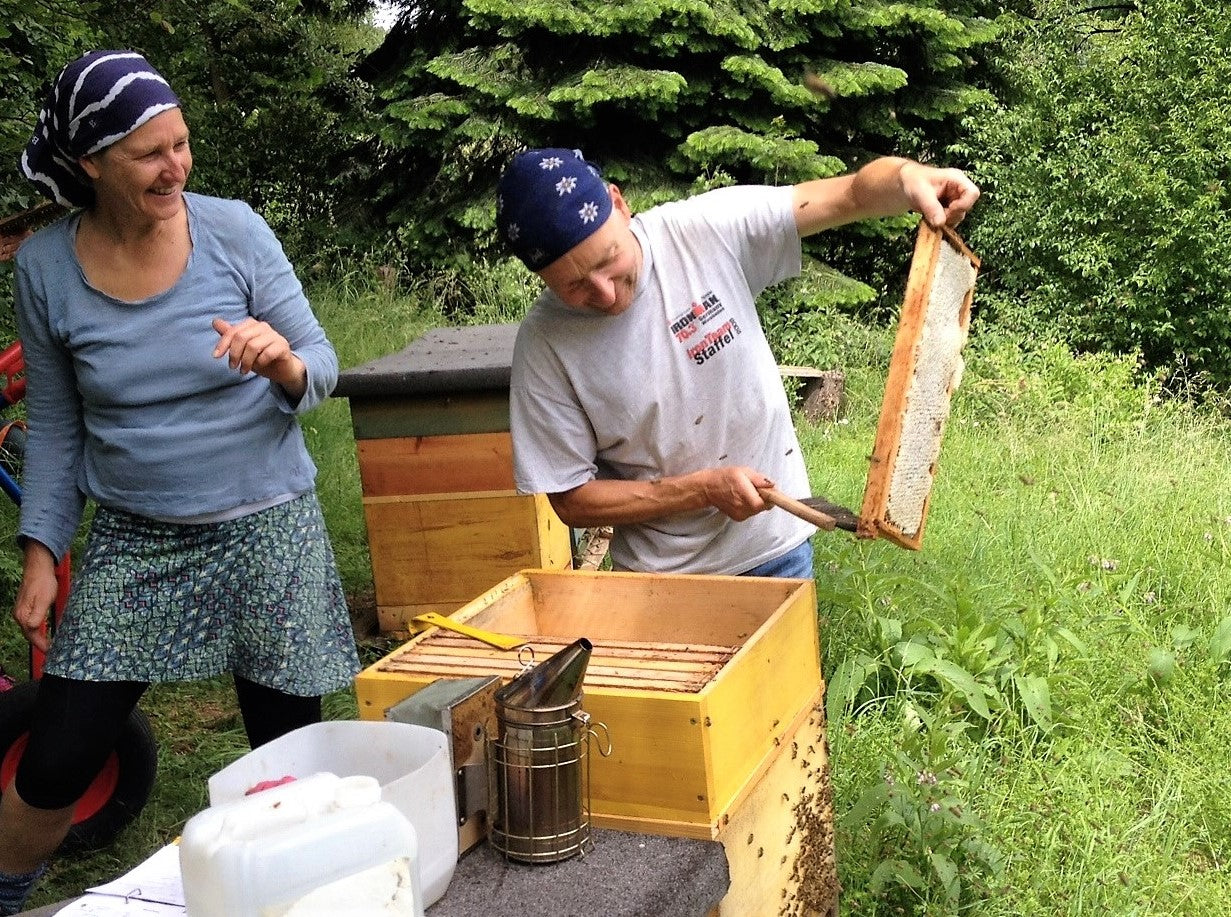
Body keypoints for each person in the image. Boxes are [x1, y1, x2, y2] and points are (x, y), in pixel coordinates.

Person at [0, 50, 359, 914]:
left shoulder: (233, 230)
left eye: (182, 144)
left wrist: (279, 361)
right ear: (91, 163)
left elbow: (322, 363)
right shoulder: (44, 268)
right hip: (137, 538)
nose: (177, 166)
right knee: (57, 754)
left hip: (267, 527)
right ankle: (7, 890)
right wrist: (42, 551)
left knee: (285, 753)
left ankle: (296, 896)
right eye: (150, 152)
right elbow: (54, 425)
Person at [497, 148, 979, 578]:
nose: (603, 293)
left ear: (619, 203)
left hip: (777, 552)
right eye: (573, 286)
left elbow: (852, 194)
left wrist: (908, 177)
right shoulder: (545, 346)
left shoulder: (704, 230)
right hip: (660, 581)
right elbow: (570, 499)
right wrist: (702, 490)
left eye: (608, 260)